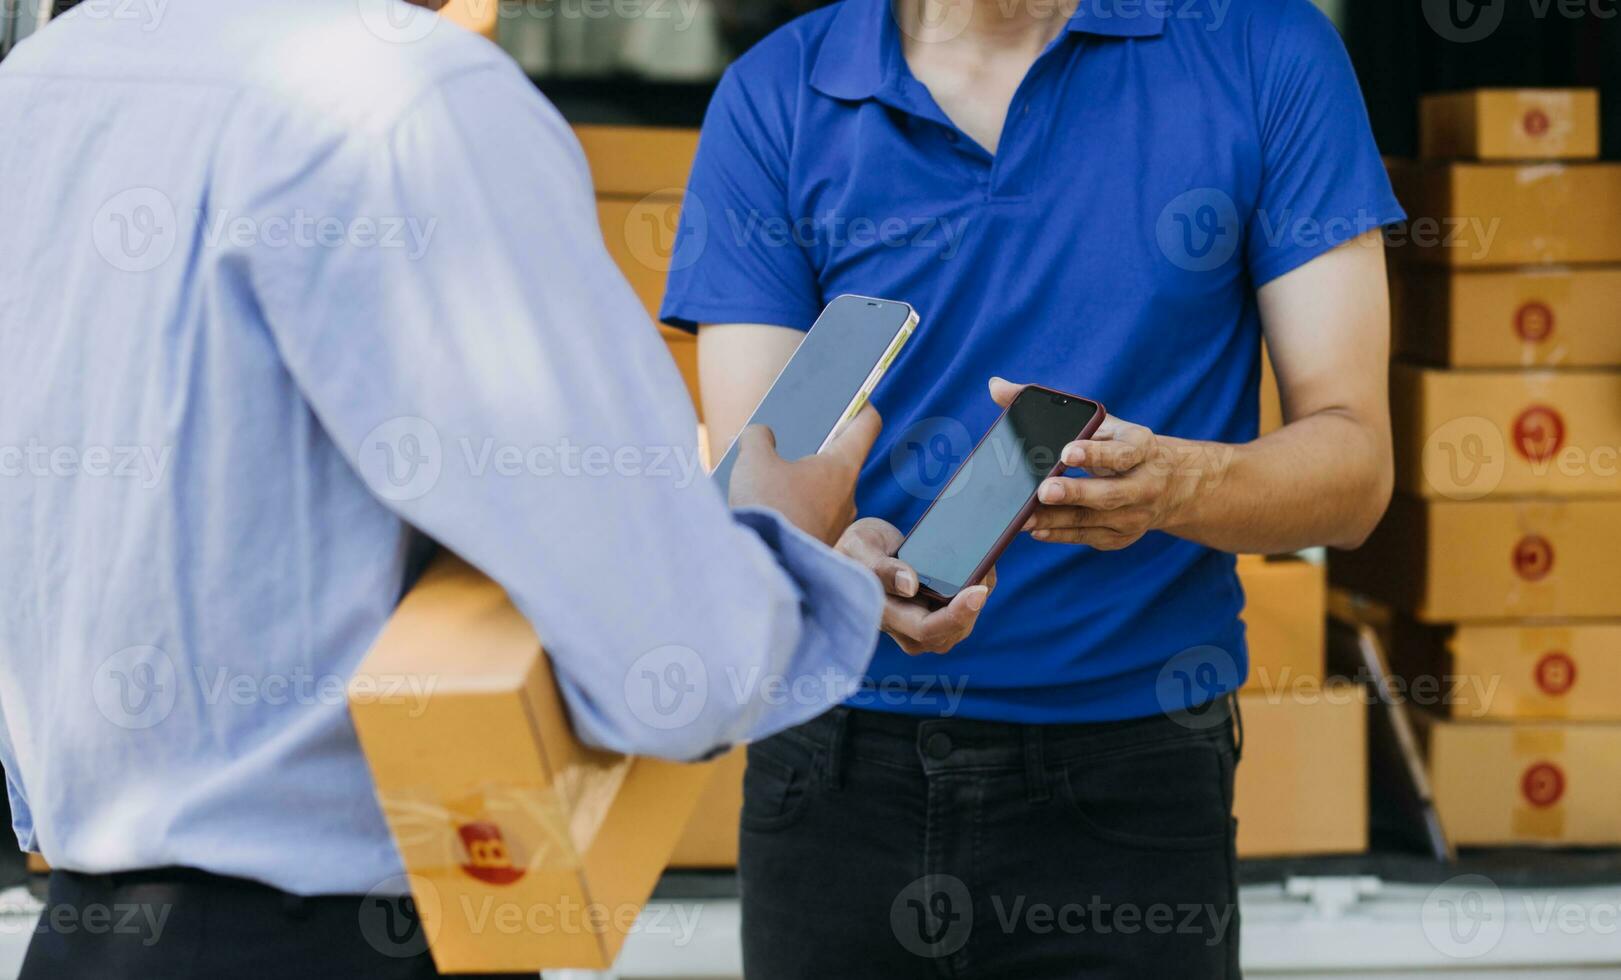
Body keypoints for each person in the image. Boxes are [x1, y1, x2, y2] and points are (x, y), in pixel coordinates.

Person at [0, 1, 893, 976]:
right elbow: (681, 671)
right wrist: (775, 538)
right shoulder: (409, 99)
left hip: (82, 923)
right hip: (351, 934)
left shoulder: (45, 83)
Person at [662, 0, 1403, 975]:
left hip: (1130, 778)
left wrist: (1175, 483)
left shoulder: (1266, 52)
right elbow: (755, 506)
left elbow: (1354, 470)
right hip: (832, 769)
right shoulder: (779, 93)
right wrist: (834, 562)